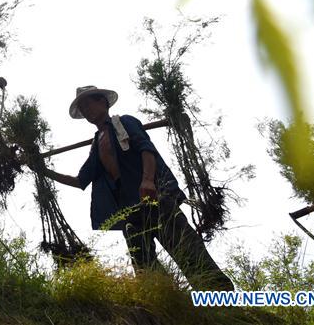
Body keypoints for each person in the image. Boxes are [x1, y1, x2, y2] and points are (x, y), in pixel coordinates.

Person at [43, 85, 233, 291]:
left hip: (153, 198)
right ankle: (169, 306)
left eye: (88, 103)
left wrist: (148, 180)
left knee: (188, 251)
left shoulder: (124, 122)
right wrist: (42, 170)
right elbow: (81, 180)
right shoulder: (97, 144)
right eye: (82, 107)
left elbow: (146, 148)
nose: (86, 110)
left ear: (103, 102)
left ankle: (223, 303)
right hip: (129, 213)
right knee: (146, 270)